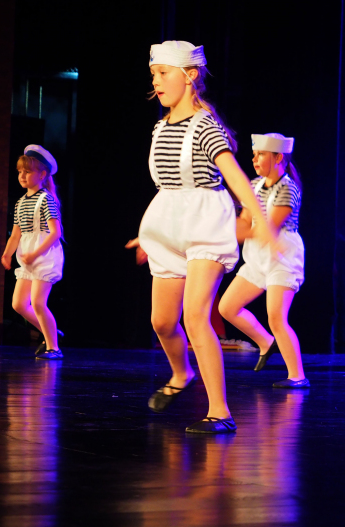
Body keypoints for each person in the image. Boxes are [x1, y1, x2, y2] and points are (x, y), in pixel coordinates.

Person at [126, 41, 277, 434]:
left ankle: (220, 412)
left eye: (163, 73)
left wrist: (258, 219)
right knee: (162, 321)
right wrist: (151, 235)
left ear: (190, 75)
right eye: (153, 74)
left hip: (206, 222)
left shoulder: (205, 126)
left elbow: (235, 177)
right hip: (169, 223)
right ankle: (181, 373)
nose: (156, 81)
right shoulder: (160, 128)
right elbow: (168, 190)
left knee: (195, 316)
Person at [219, 133, 309, 387]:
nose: (254, 159)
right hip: (258, 255)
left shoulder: (288, 188)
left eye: (260, 154)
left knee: (276, 317)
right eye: (254, 154)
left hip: (282, 256)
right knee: (227, 307)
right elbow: (245, 223)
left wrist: (231, 232)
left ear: (278, 158)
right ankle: (266, 342)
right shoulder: (255, 185)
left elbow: (269, 228)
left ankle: (298, 376)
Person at [1, 145, 64, 360]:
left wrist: (35, 254)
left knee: (38, 303)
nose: (22, 175)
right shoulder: (20, 203)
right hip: (27, 257)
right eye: (20, 171)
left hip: (44, 256)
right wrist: (7, 254)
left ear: (42, 175)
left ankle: (53, 347)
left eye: (27, 171)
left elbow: (55, 233)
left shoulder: (46, 199)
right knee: (18, 304)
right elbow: (15, 235)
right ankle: (51, 332)